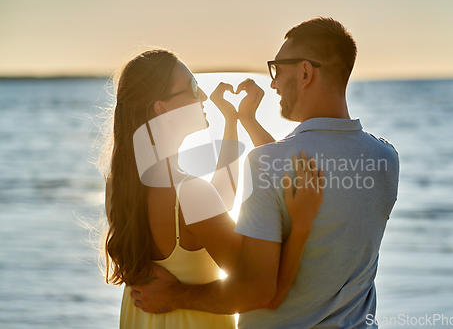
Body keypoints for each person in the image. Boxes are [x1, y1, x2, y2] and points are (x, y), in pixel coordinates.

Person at [130, 17, 400, 328]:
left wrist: (174, 296)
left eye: (277, 69)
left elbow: (255, 288)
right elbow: (286, 166)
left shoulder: (267, 163)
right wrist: (244, 121)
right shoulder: (385, 160)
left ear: (304, 72)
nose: (272, 83)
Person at [101, 49, 324, 328]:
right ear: (162, 108)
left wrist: (233, 121)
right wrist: (301, 224)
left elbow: (217, 201)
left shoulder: (118, 188)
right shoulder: (190, 193)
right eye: (193, 88)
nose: (203, 96)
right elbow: (257, 290)